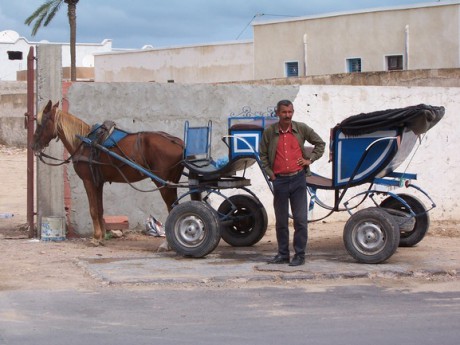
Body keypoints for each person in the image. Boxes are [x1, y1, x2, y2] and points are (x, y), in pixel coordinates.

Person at [260, 100, 325, 266]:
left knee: (300, 220)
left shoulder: (301, 129)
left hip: (298, 179)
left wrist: (309, 159)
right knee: (281, 221)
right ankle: (283, 254)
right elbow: (263, 156)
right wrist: (271, 174)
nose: (287, 115)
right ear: (277, 113)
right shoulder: (269, 132)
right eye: (284, 112)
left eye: (290, 112)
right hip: (280, 181)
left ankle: (299, 255)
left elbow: (320, 144)